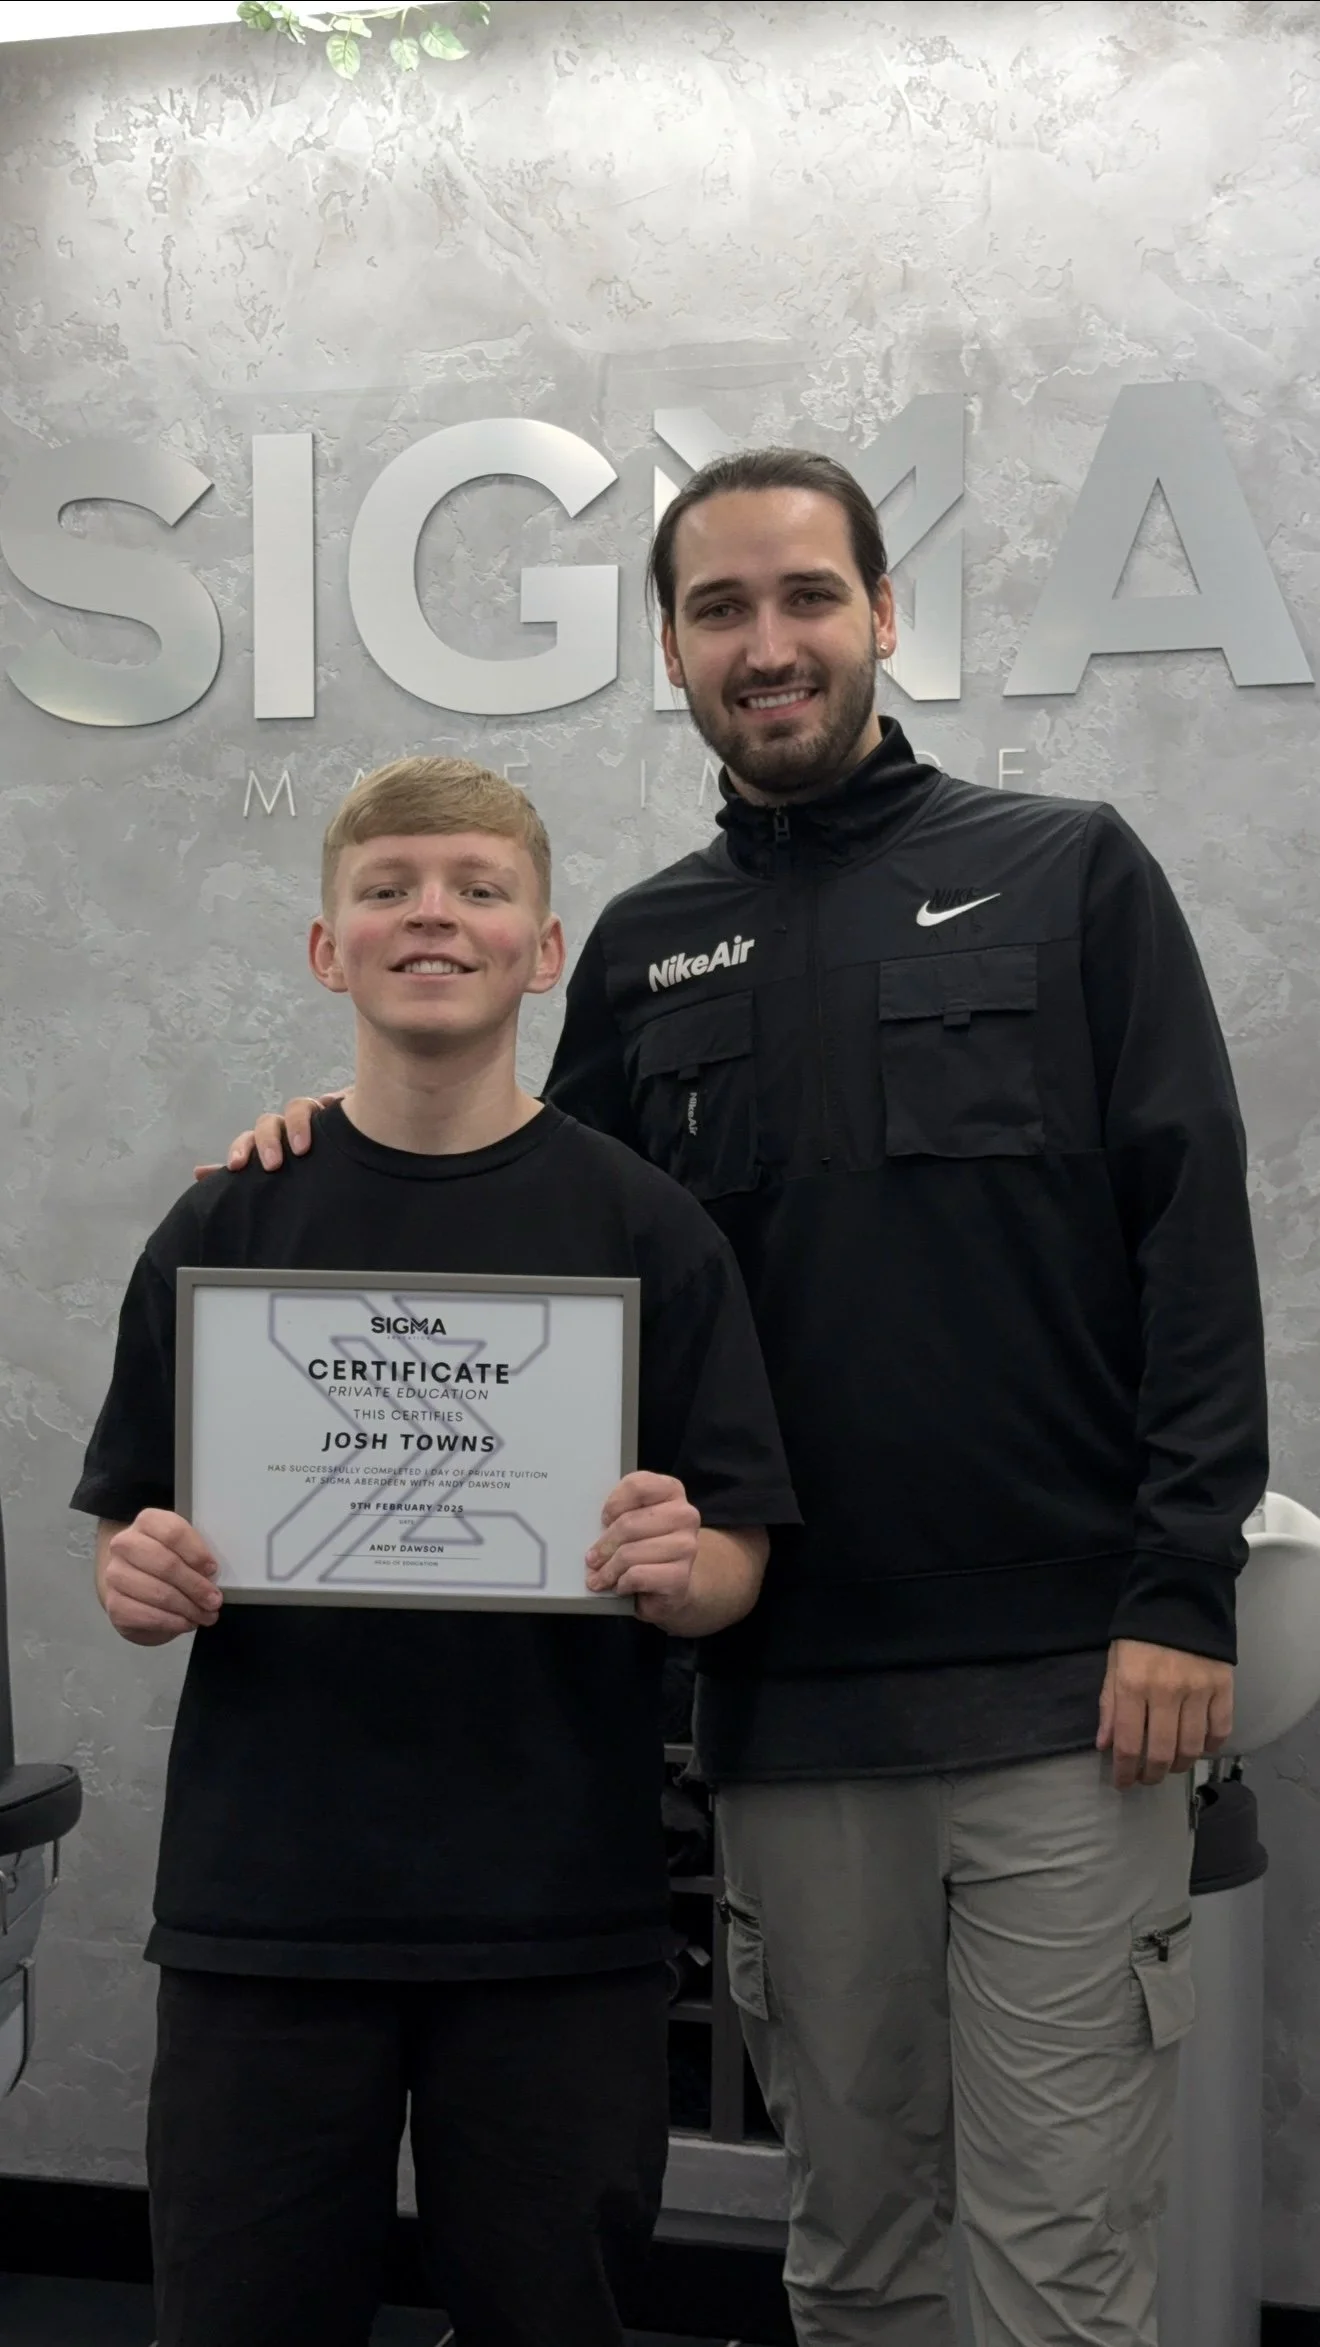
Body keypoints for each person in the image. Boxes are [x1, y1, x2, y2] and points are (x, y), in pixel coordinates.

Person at [222, 453, 1269, 2347]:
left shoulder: (1070, 870)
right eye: (720, 610)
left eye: (804, 598)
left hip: (1067, 1699)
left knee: (1061, 2269)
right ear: (674, 649)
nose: (766, 644)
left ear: (883, 614)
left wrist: (1178, 1583)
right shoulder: (638, 944)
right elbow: (543, 1252)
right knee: (855, 2253)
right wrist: (322, 1167)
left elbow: (1192, 1230)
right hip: (782, 1717)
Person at [75, 756, 797, 2347]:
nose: (434, 916)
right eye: (390, 887)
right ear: (327, 947)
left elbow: (739, 1544)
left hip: (558, 1913)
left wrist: (692, 1563)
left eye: (479, 888)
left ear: (544, 949)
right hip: (266, 1911)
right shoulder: (227, 1224)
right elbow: (133, 1526)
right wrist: (137, 1577)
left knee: (554, 2321)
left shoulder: (648, 1229)